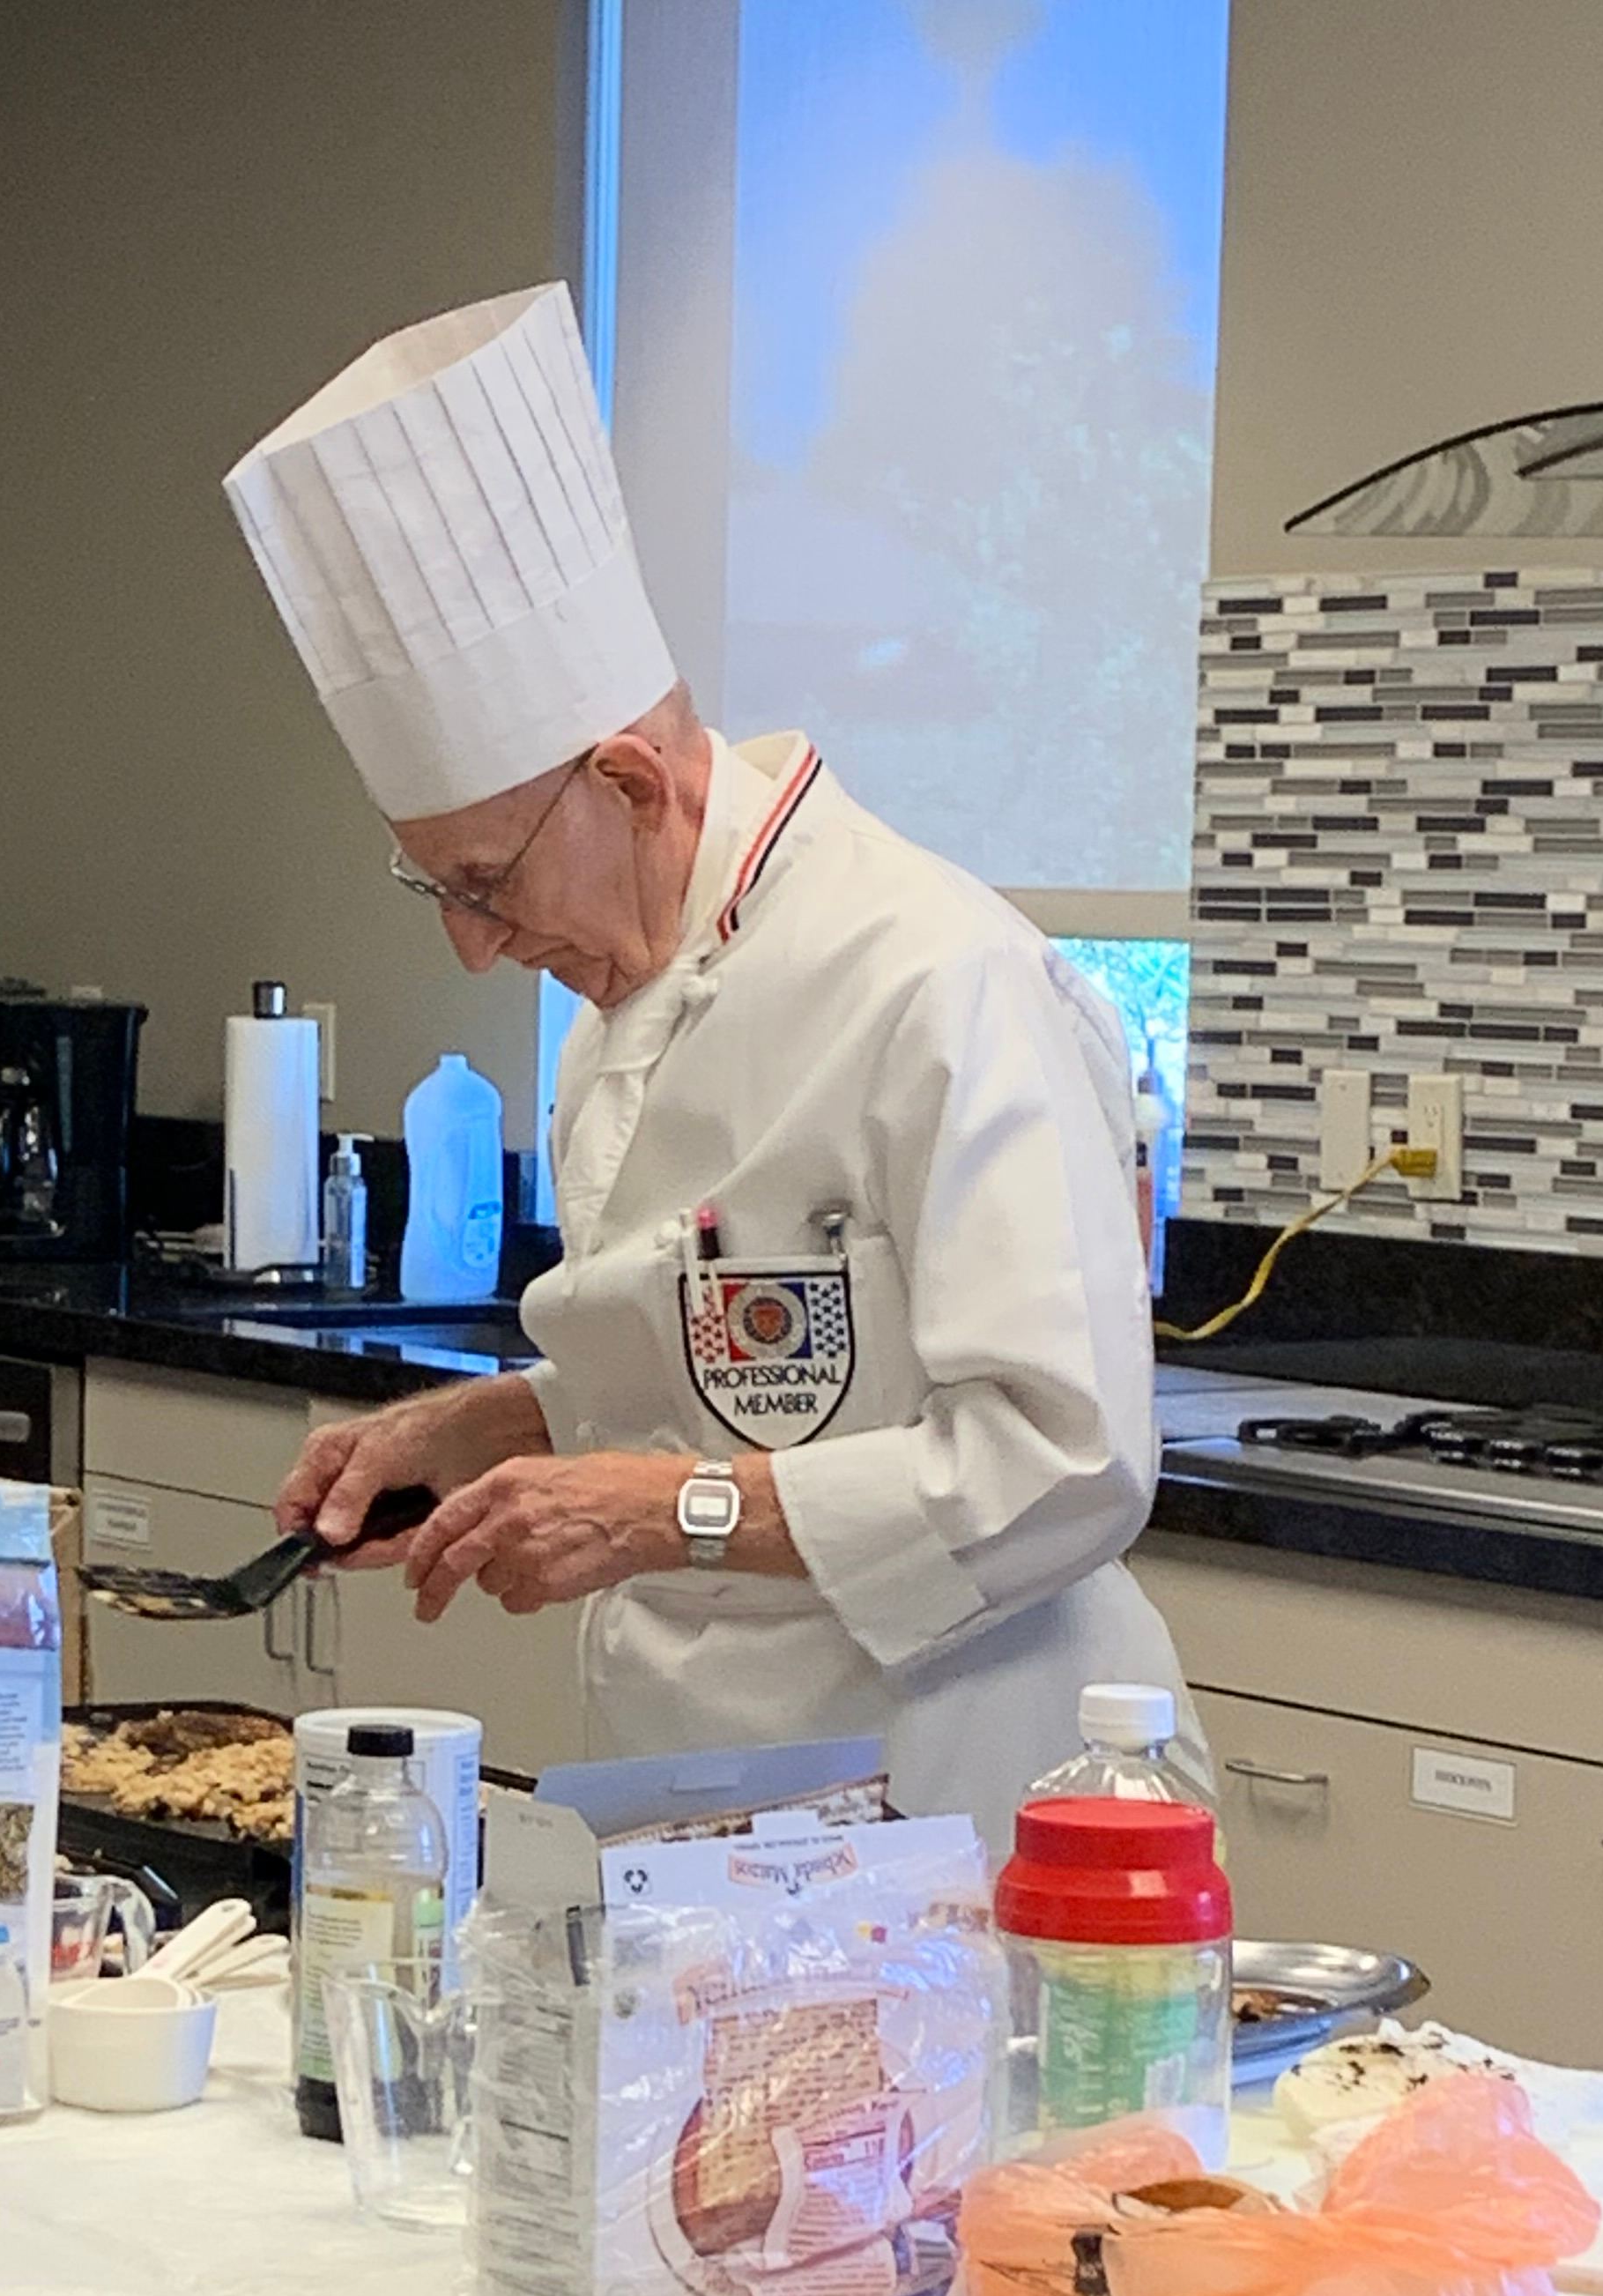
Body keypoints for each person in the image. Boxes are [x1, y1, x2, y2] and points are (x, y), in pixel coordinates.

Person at [223, 285, 1192, 1856]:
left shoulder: (938, 979)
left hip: (955, 1799)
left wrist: (651, 1512)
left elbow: (1065, 1459)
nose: (476, 946)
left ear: (623, 779)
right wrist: (488, 1431)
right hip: (699, 1798)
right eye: (440, 891)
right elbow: (745, 1366)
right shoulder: (633, 992)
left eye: (484, 883)